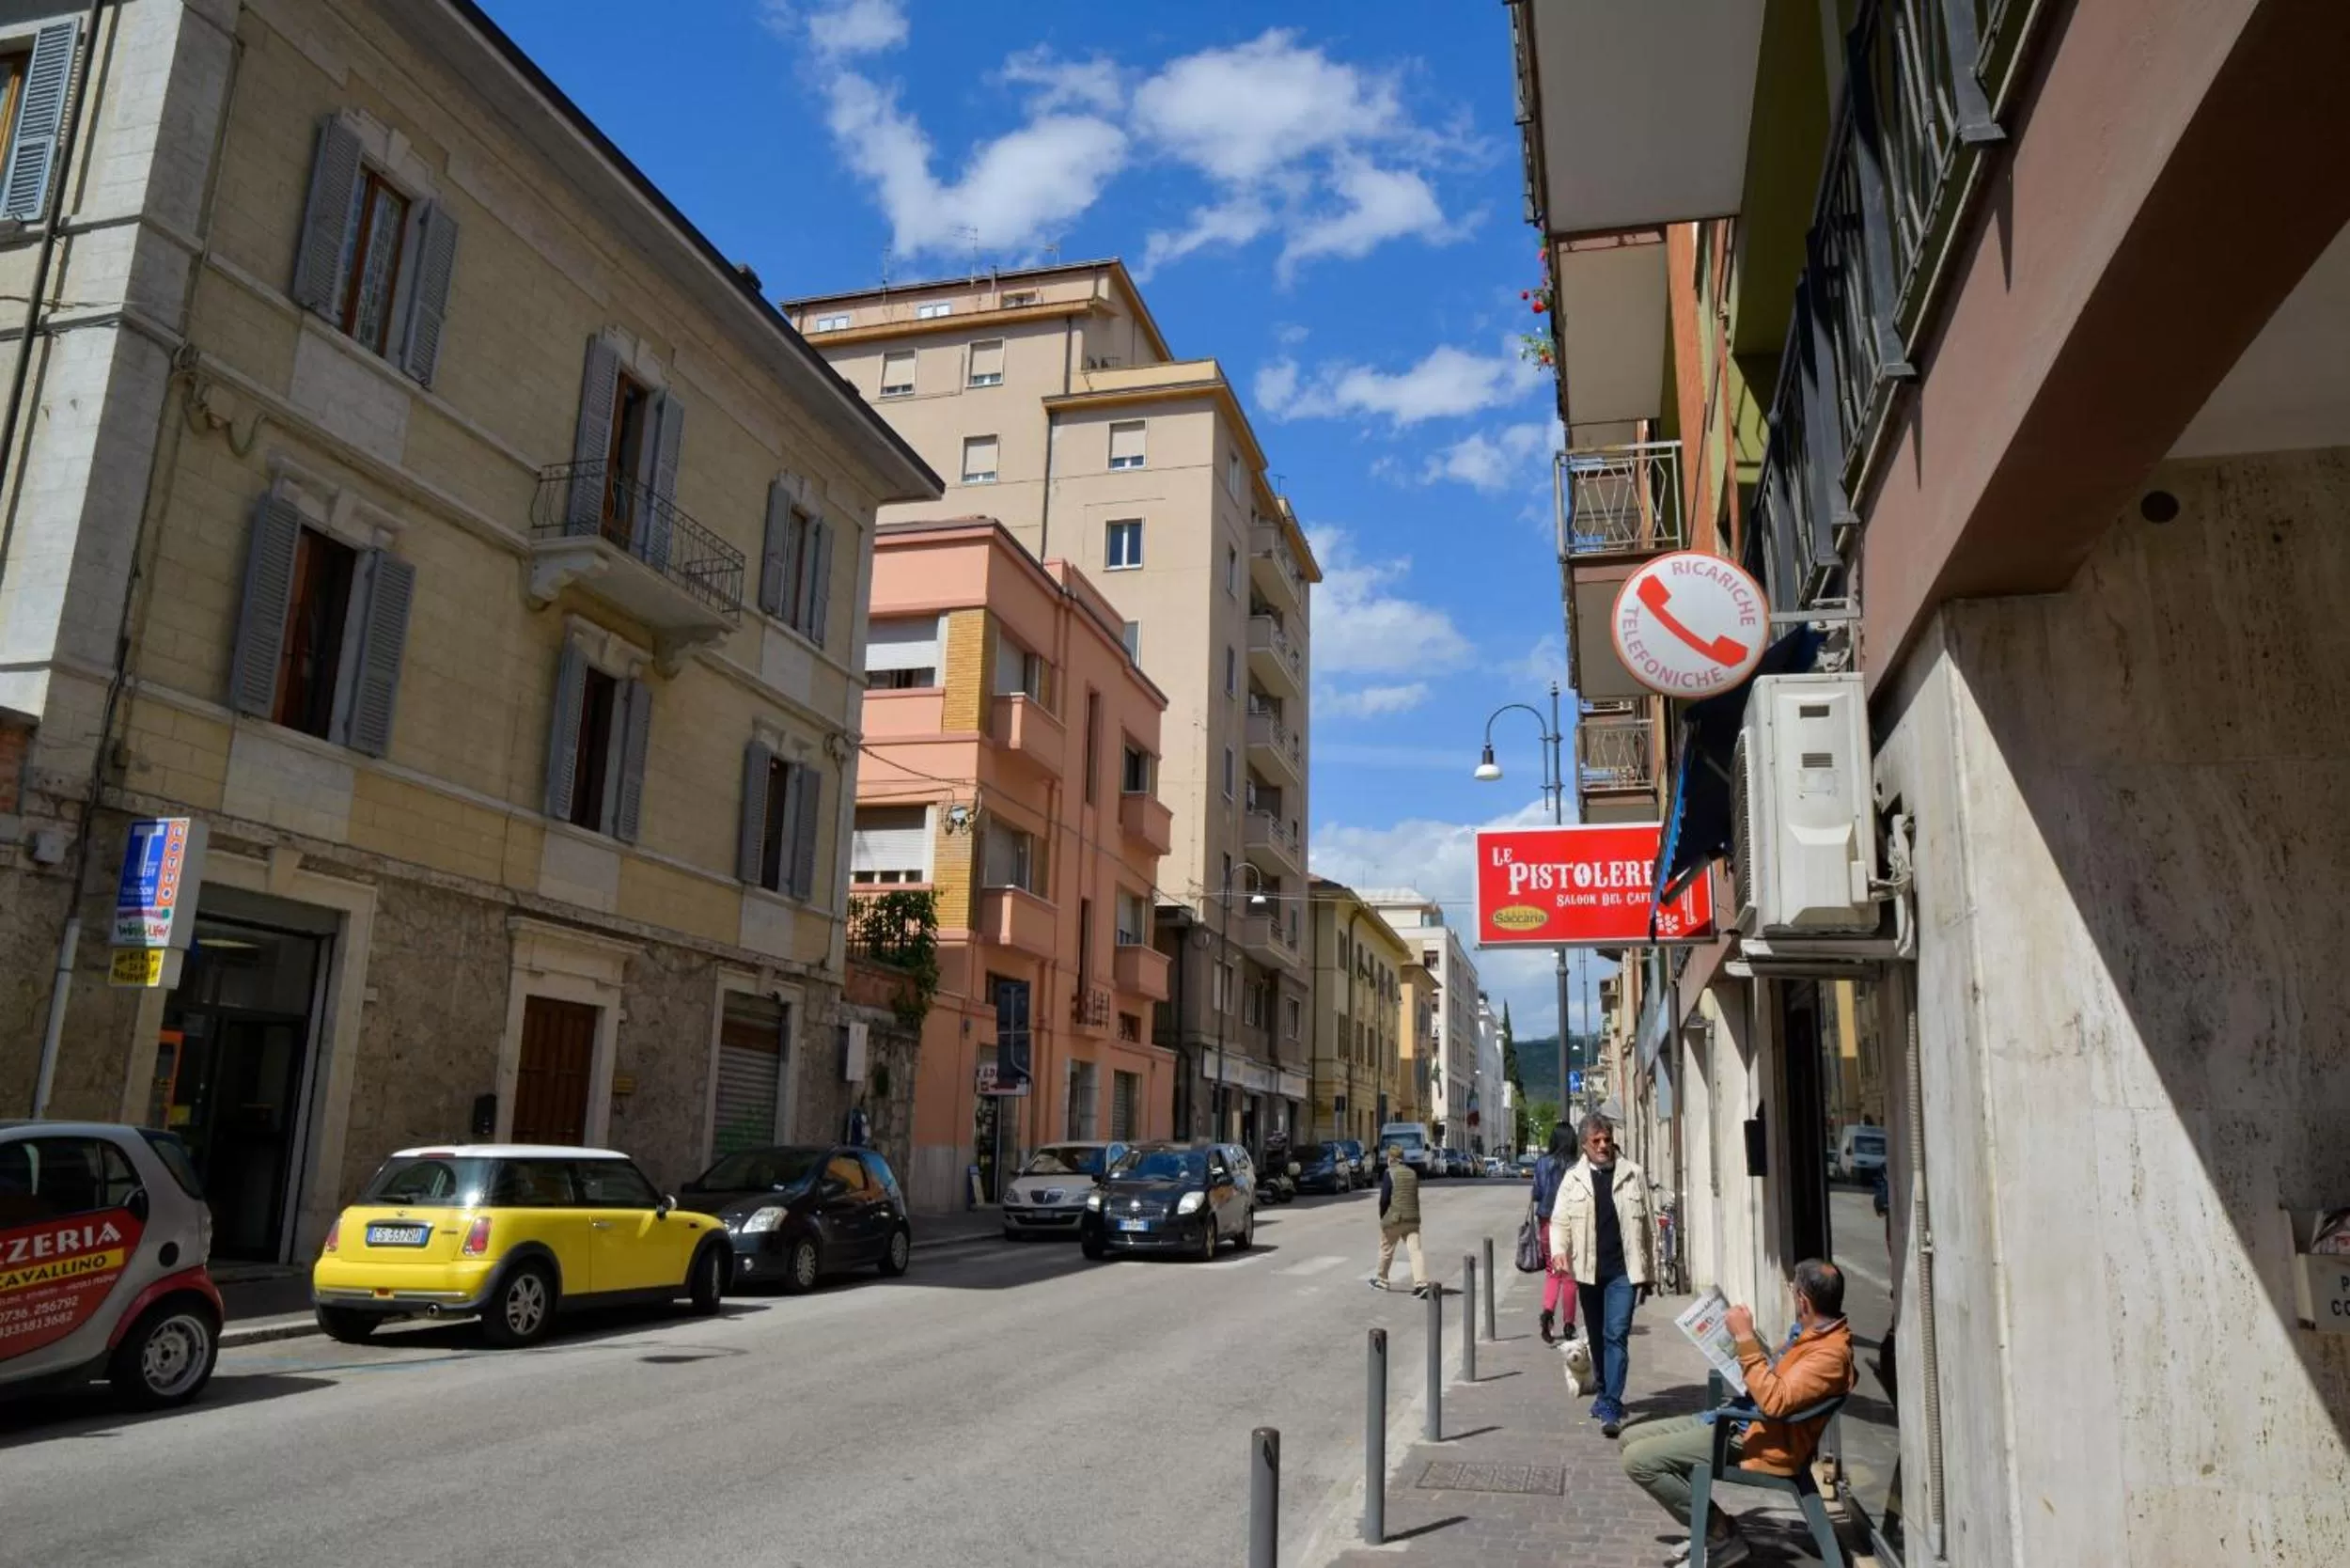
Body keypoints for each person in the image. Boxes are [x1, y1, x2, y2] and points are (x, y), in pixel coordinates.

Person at [1621, 1259, 1857, 1567]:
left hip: (1756, 1437)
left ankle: (1720, 1534)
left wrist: (1745, 1338)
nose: (1791, 1294)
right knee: (1629, 1438)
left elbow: (1774, 1401)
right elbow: (1776, 1379)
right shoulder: (1811, 1333)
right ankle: (1709, 1529)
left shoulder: (1829, 1354)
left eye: (1792, 1288)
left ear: (1803, 1300)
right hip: (1742, 1418)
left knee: (1639, 1460)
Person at [1547, 1111, 1653, 1436]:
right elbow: (1560, 1221)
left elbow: (1647, 1226)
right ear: (1584, 1145)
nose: (1604, 1145)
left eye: (1607, 1139)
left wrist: (1649, 1275)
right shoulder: (1573, 1178)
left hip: (1623, 1271)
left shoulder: (1633, 1175)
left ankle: (1610, 1402)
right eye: (1597, 1141)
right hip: (1589, 1272)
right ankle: (1605, 1389)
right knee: (1596, 1335)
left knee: (1616, 1334)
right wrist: (1559, 1251)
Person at [1529, 1121, 1579, 1345]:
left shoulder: (1542, 1163)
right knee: (1568, 1275)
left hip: (1547, 1221)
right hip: (1570, 1223)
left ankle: (1547, 1313)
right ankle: (1569, 1324)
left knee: (1552, 1271)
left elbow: (1537, 1193)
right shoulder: (1577, 1166)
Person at [1370, 1144, 1429, 1297]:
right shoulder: (1412, 1173)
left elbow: (1384, 1199)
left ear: (1391, 1158)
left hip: (1395, 1219)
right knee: (1415, 1251)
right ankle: (1421, 1283)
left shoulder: (1389, 1173)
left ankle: (1382, 1280)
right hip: (1413, 1219)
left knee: (1386, 1248)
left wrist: (1383, 1217)